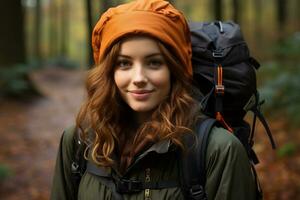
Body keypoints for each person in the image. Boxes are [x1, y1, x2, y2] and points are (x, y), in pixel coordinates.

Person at [50, 0, 257, 199]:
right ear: (109, 73)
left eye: (154, 63)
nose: (139, 78)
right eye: (124, 63)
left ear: (174, 70)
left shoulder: (219, 150)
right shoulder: (79, 140)